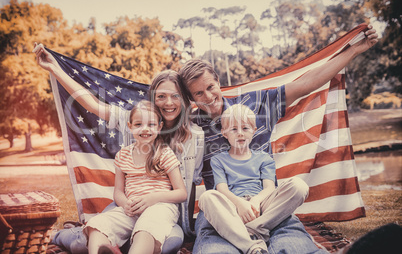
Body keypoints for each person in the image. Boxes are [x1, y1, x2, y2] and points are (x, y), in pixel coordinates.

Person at [177, 25, 378, 253]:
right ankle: (247, 242)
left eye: (210, 87)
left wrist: (352, 51)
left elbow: (306, 83)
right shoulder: (190, 128)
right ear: (190, 98)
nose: (208, 97)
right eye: (198, 94)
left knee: (294, 248)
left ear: (217, 81)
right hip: (223, 210)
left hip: (269, 205)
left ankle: (259, 231)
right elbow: (155, 127)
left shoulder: (257, 104)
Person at [33, 43, 204, 252]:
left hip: (163, 212)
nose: (168, 102)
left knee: (170, 243)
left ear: (184, 100)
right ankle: (66, 234)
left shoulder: (194, 136)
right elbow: (93, 105)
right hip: (128, 208)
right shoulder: (132, 119)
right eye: (161, 96)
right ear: (152, 99)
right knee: (81, 244)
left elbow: (186, 189)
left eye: (175, 96)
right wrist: (55, 69)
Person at [198, 104, 309, 254]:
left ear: (254, 131)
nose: (240, 134)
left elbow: (269, 188)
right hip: (233, 206)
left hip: (262, 205)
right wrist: (240, 204)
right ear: (224, 133)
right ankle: (252, 247)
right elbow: (221, 189)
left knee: (299, 186)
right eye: (233, 129)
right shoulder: (218, 160)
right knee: (207, 197)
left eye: (245, 128)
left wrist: (256, 202)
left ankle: (254, 228)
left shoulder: (264, 158)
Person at [83, 100, 187, 254]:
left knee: (146, 228)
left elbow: (181, 193)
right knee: (97, 224)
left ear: (159, 127)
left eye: (151, 124)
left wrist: (152, 198)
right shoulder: (122, 155)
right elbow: (118, 191)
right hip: (131, 210)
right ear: (129, 126)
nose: (145, 129)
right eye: (138, 124)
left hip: (159, 207)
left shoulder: (164, 153)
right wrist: (126, 204)